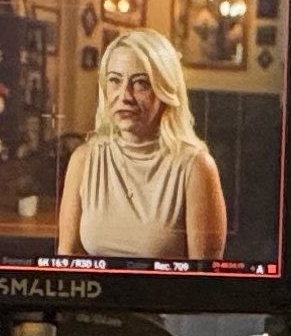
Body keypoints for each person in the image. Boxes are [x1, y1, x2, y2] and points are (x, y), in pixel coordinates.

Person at [56, 27, 230, 262]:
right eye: (115, 81)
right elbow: (66, 261)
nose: (124, 95)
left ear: (165, 90)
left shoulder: (196, 167)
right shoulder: (84, 160)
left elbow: (205, 282)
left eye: (140, 83)